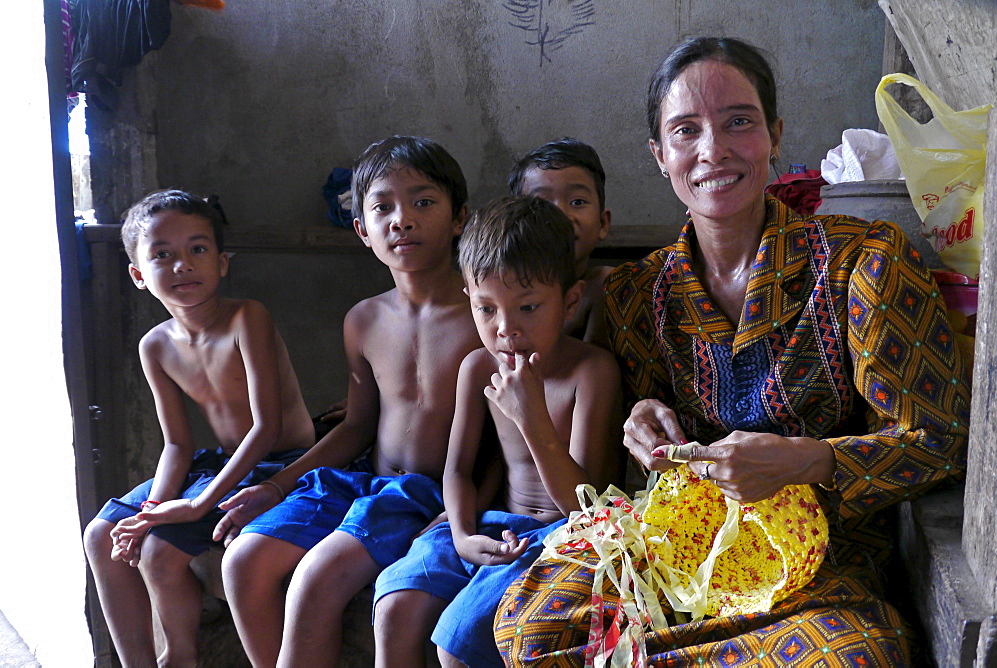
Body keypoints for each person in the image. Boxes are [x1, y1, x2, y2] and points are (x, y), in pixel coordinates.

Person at [496, 37, 971, 666]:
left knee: (858, 656)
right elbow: (617, 459)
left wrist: (807, 461)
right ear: (660, 156)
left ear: (774, 135)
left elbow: (939, 442)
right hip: (674, 549)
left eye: (738, 122)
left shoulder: (866, 263)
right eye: (685, 131)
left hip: (818, 565)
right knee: (530, 630)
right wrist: (639, 419)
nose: (712, 151)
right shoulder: (637, 295)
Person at [217, 135, 483, 667]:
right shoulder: (363, 319)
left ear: (459, 218)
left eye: (423, 202)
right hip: (362, 482)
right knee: (243, 560)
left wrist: (465, 514)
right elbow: (357, 426)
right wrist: (274, 485)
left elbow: (502, 438)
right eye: (382, 206)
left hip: (426, 495)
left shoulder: (486, 315)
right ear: (362, 230)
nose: (401, 220)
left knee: (314, 579)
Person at [372, 195, 623, 668]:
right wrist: (464, 534)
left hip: (563, 538)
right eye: (486, 310)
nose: (505, 329)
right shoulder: (476, 368)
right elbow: (458, 471)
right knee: (394, 606)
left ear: (569, 302)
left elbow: (586, 508)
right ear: (469, 299)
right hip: (491, 526)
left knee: (458, 640)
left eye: (528, 307)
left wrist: (530, 417)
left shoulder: (590, 373)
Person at [82, 189, 316, 667]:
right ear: (138, 275)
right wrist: (150, 508)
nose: (183, 264)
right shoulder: (156, 346)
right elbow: (176, 443)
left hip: (279, 462)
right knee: (101, 536)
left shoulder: (246, 318)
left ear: (222, 262)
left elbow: (268, 427)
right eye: (162, 254)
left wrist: (198, 504)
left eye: (198, 249)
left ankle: (181, 656)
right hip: (220, 462)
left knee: (160, 554)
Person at [508, 137, 613, 346]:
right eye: (541, 204)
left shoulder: (606, 287)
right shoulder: (501, 287)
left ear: (602, 224)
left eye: (577, 202)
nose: (562, 216)